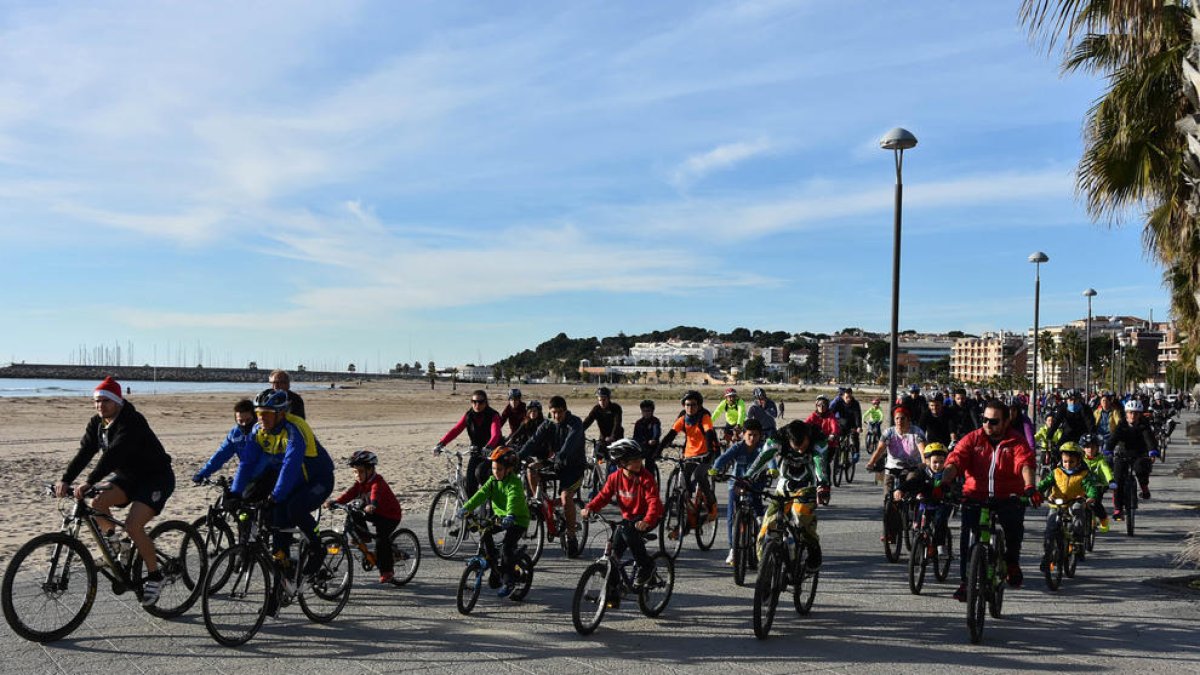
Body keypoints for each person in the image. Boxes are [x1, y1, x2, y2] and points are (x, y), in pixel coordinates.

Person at [57, 377, 175, 606]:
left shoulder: (132, 421)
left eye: (105, 401)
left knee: (133, 526)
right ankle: (117, 546)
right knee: (97, 503)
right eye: (96, 401)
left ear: (117, 401)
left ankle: (154, 576)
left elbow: (114, 455)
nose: (100, 405)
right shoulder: (97, 424)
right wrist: (65, 480)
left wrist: (90, 481)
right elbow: (85, 453)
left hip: (155, 478)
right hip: (129, 477)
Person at [941, 399, 1037, 601]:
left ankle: (1011, 563)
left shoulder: (1016, 441)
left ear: (1005, 422)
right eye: (984, 420)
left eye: (994, 421)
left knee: (1013, 531)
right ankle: (966, 582)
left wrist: (1029, 487)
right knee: (968, 538)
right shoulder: (973, 439)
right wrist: (945, 481)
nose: (987, 425)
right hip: (975, 495)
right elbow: (956, 459)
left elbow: (1025, 464)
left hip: (1008, 496)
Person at [252, 389, 335, 576]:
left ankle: (317, 546)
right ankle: (284, 567)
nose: (261, 417)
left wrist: (275, 495)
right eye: (258, 413)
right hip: (296, 480)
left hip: (319, 479)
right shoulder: (259, 430)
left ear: (281, 414)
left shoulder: (295, 430)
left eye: (266, 413)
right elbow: (251, 463)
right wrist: (238, 490)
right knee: (277, 520)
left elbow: (290, 465)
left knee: (294, 508)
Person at [742, 420, 828, 567]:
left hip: (807, 485)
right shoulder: (778, 439)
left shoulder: (817, 440)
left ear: (808, 438)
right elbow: (763, 457)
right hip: (783, 487)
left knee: (801, 516)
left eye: (803, 446)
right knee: (766, 528)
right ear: (789, 441)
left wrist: (823, 485)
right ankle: (766, 566)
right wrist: (747, 478)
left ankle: (813, 546)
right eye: (797, 447)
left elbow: (819, 463)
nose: (801, 451)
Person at [581, 439, 663, 587]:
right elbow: (603, 496)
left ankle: (646, 567)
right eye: (634, 460)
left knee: (628, 533)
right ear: (621, 463)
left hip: (649, 516)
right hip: (629, 519)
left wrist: (647, 521)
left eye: (640, 459)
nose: (639, 463)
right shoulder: (615, 478)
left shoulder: (646, 478)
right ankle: (612, 592)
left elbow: (653, 501)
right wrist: (590, 508)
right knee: (614, 556)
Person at [459, 447, 530, 597]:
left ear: (509, 469)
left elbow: (513, 498)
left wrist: (510, 515)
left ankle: (510, 581)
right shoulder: (492, 481)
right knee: (484, 533)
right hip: (499, 517)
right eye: (493, 468)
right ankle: (494, 563)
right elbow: (481, 494)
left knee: (506, 549)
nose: (495, 472)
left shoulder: (514, 483)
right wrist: (466, 508)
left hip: (517, 519)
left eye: (499, 469)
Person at [520, 395, 586, 556]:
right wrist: (518, 456)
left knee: (565, 497)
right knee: (531, 469)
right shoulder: (548, 423)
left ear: (565, 410)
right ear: (549, 412)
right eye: (553, 412)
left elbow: (568, 446)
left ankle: (571, 536)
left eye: (559, 412)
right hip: (555, 462)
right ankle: (543, 506)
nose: (556, 416)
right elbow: (533, 441)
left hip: (573, 467)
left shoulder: (575, 423)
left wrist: (557, 458)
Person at [326, 450, 404, 583]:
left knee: (381, 540)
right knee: (353, 511)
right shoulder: (360, 484)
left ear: (371, 470)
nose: (357, 475)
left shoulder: (377, 482)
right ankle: (364, 537)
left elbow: (375, 494)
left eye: (360, 472)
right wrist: (336, 502)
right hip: (374, 513)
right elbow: (349, 494)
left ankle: (387, 571)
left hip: (390, 516)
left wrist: (372, 504)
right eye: (355, 472)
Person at [658, 390, 721, 526]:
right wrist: (658, 450)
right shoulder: (683, 418)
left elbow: (709, 433)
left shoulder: (704, 416)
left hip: (706, 454)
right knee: (684, 481)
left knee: (699, 475)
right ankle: (687, 513)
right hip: (690, 454)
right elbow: (671, 434)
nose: (690, 408)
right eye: (687, 405)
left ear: (699, 406)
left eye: (693, 405)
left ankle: (711, 505)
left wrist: (710, 451)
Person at [710, 417, 767, 565]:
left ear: (760, 435)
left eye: (755, 435)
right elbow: (723, 458)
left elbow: (771, 459)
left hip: (755, 484)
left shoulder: (762, 448)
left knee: (758, 512)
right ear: (743, 434)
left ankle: (760, 541)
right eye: (749, 434)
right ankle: (733, 549)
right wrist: (715, 469)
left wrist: (772, 469)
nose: (752, 438)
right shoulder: (738, 447)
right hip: (736, 483)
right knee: (731, 516)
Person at [192, 398, 271, 500]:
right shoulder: (235, 434)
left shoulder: (263, 433)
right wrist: (203, 473)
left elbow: (264, 461)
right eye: (240, 421)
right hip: (245, 473)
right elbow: (221, 455)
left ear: (255, 417)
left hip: (266, 475)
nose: (244, 424)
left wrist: (243, 480)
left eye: (248, 420)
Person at [1036, 442, 1098, 571]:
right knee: (1050, 528)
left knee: (1077, 514)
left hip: (1075, 500)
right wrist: (1036, 491)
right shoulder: (1056, 472)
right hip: (1057, 502)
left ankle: (1078, 542)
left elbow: (1090, 486)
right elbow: (1044, 483)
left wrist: (1091, 496)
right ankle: (1047, 556)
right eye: (1065, 462)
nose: (1067, 465)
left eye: (1071, 462)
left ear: (1078, 461)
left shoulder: (1083, 474)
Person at [433, 389, 503, 495]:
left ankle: (492, 506)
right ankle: (471, 510)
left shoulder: (493, 415)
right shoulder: (469, 415)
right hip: (476, 452)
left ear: (486, 402)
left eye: (480, 402)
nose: (477, 405)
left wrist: (489, 446)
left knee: (480, 473)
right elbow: (456, 430)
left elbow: (495, 434)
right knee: (469, 483)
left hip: (492, 453)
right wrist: (441, 443)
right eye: (474, 402)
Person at [892, 442, 955, 556]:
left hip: (941, 504)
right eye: (935, 462)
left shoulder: (948, 473)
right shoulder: (922, 472)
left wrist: (953, 495)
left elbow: (955, 487)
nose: (938, 465)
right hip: (925, 503)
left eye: (941, 462)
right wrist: (900, 489)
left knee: (939, 521)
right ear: (927, 462)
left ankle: (939, 544)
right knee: (918, 523)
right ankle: (919, 542)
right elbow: (912, 482)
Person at [1104, 398, 1157, 518]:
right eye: (1130, 412)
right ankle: (1118, 509)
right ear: (1126, 413)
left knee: (1141, 469)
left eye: (1136, 413)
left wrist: (1152, 451)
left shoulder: (1144, 424)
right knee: (1117, 480)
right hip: (1123, 454)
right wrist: (1108, 449)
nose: (1133, 415)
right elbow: (1113, 438)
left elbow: (1149, 439)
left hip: (1140, 454)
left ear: (1139, 414)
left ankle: (1144, 488)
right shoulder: (1121, 424)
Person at [865, 405, 926, 502]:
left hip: (912, 467)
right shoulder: (889, 433)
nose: (899, 421)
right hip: (892, 466)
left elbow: (923, 450)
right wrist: (871, 463)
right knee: (887, 495)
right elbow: (880, 449)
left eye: (902, 418)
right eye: (897, 418)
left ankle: (909, 510)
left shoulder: (917, 433)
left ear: (908, 419)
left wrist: (924, 463)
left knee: (910, 485)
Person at [804, 395, 840, 499]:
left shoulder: (830, 416)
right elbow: (805, 424)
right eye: (819, 405)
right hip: (814, 444)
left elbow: (835, 427)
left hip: (829, 445)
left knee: (825, 464)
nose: (821, 407)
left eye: (824, 405)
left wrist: (833, 435)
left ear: (827, 405)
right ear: (816, 405)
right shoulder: (813, 416)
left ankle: (826, 487)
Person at [1079, 433, 1114, 532]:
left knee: (1096, 503)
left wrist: (1110, 480)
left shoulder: (1100, 460)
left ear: (1097, 448)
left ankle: (1104, 520)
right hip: (1084, 485)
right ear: (1083, 448)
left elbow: (1106, 469)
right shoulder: (1080, 460)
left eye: (1093, 447)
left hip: (1099, 484)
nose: (1090, 449)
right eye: (1087, 447)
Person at [828, 387, 863, 456]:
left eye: (850, 396)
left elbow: (857, 415)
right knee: (836, 435)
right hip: (842, 422)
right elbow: (832, 413)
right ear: (843, 396)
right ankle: (837, 450)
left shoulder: (855, 403)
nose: (849, 399)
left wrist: (859, 426)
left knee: (854, 436)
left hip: (852, 423)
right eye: (847, 397)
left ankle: (856, 453)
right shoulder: (839, 402)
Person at [631, 399, 662, 478]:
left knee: (649, 464)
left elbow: (657, 432)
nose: (646, 413)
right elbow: (635, 436)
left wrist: (654, 439)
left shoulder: (655, 421)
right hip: (641, 446)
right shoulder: (639, 423)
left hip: (652, 448)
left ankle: (650, 481)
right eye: (644, 411)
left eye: (648, 411)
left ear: (652, 411)